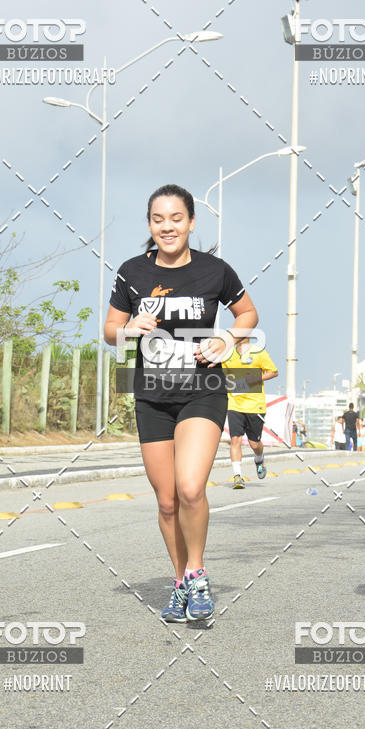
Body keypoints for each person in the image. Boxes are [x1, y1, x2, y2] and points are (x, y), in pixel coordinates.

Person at [104, 184, 258, 624]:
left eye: (176, 218)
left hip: (203, 390)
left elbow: (248, 314)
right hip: (152, 397)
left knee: (190, 489)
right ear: (150, 225)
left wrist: (227, 338)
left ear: (191, 222)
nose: (167, 227)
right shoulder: (131, 272)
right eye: (158, 219)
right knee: (168, 501)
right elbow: (110, 331)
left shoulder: (215, 270)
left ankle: (198, 574)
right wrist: (129, 328)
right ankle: (179, 582)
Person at [222, 340, 278, 489]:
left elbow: (273, 372)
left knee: (254, 444)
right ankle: (237, 476)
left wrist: (255, 379)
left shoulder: (258, 352)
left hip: (255, 405)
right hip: (235, 404)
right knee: (235, 440)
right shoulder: (228, 355)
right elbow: (223, 376)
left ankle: (259, 458)